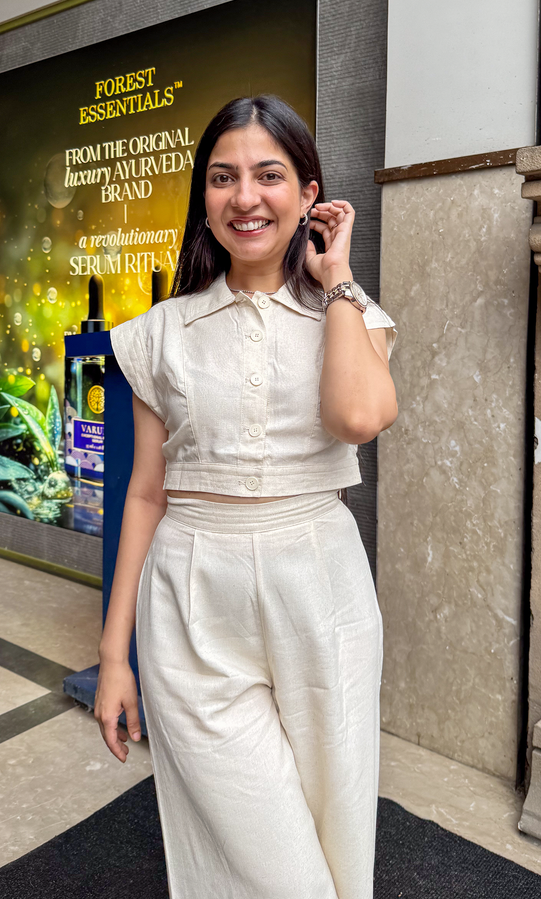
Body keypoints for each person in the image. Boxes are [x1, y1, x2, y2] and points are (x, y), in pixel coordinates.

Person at [94, 94, 398, 899]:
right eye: (223, 178)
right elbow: (146, 494)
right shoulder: (158, 333)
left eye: (270, 175)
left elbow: (359, 417)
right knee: (266, 855)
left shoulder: (349, 312)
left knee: (337, 831)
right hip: (192, 597)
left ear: (309, 195)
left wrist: (336, 279)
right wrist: (111, 655)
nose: (245, 197)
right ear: (204, 198)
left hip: (321, 588)